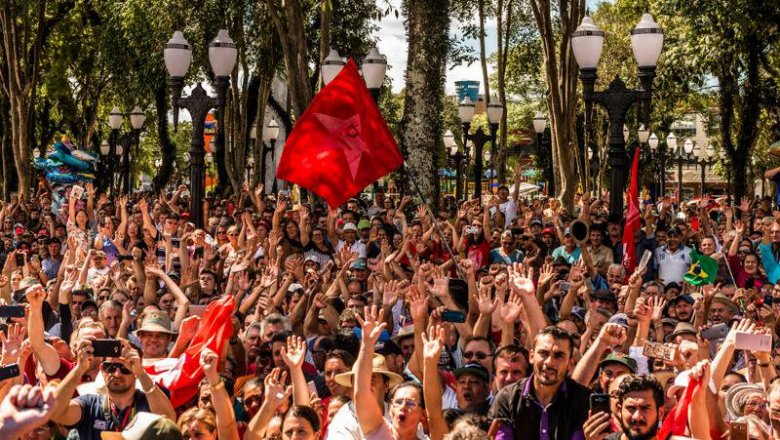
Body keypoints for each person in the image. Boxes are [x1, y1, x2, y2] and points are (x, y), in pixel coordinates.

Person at [51, 339, 176, 440]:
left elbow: (168, 422)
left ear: (135, 370)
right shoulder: (89, 405)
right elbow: (54, 412)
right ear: (102, 369)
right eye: (110, 367)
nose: (117, 374)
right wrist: (80, 368)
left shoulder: (148, 402)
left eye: (125, 368)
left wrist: (142, 374)